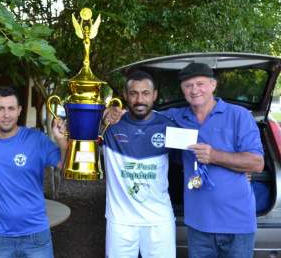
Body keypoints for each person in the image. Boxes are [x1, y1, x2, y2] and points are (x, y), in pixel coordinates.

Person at [167, 62, 264, 258]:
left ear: (213, 85)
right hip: (198, 225)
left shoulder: (239, 115)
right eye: (188, 85)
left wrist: (214, 156)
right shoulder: (176, 117)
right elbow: (143, 118)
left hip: (237, 224)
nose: (194, 90)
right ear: (182, 90)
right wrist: (119, 113)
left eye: (200, 83)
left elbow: (257, 163)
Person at [0, 86, 67, 258]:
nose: (6, 115)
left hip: (36, 234)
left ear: (19, 111)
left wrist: (61, 141)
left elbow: (64, 166)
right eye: (0, 108)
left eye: (11, 108)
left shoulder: (36, 139)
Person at [102, 70, 176, 258]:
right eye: (134, 93)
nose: (139, 99)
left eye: (145, 93)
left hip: (159, 221)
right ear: (126, 96)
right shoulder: (110, 125)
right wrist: (104, 112)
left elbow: (194, 157)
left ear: (154, 96)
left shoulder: (169, 126)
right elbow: (80, 125)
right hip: (121, 222)